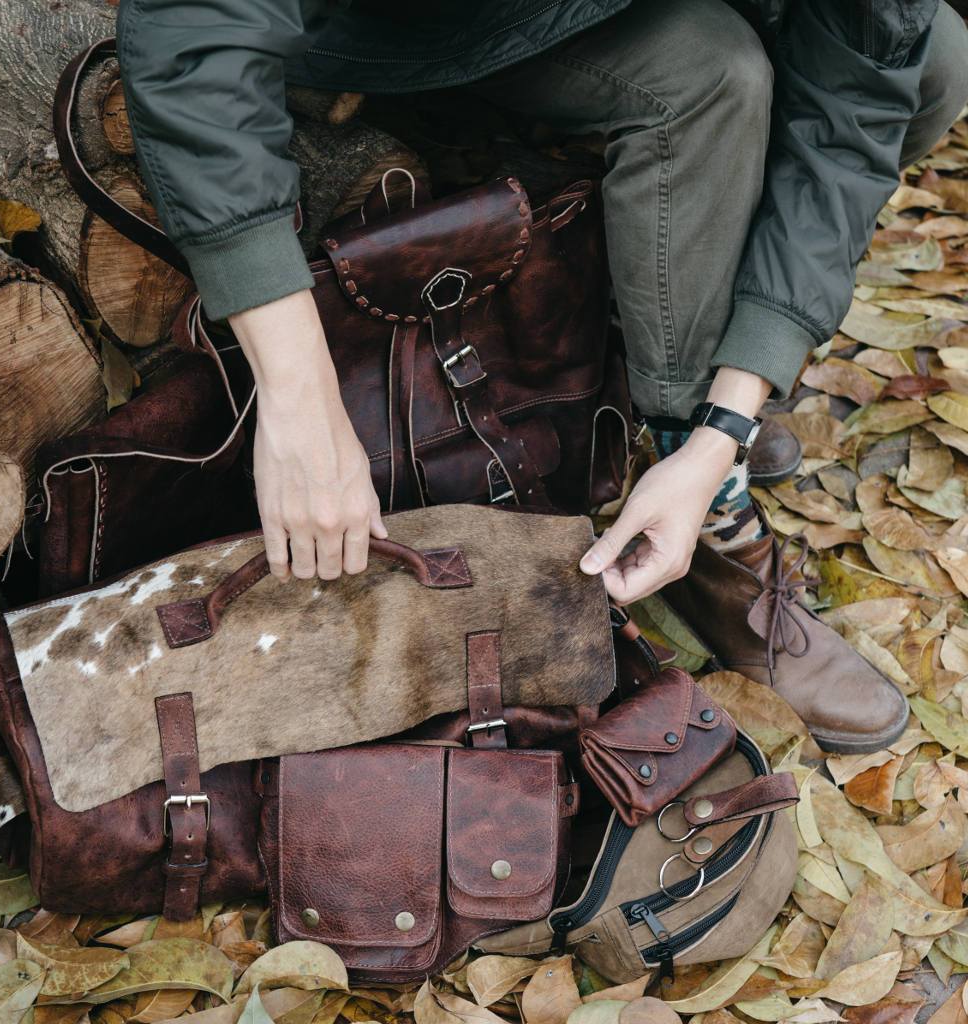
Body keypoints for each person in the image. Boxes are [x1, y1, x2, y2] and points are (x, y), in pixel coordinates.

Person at [115, 0, 968, 752]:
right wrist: (301, 399)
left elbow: (850, 117)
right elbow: (192, 34)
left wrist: (722, 430)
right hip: (407, 21)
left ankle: (685, 434)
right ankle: (664, 364)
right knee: (713, 72)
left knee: (937, 65)